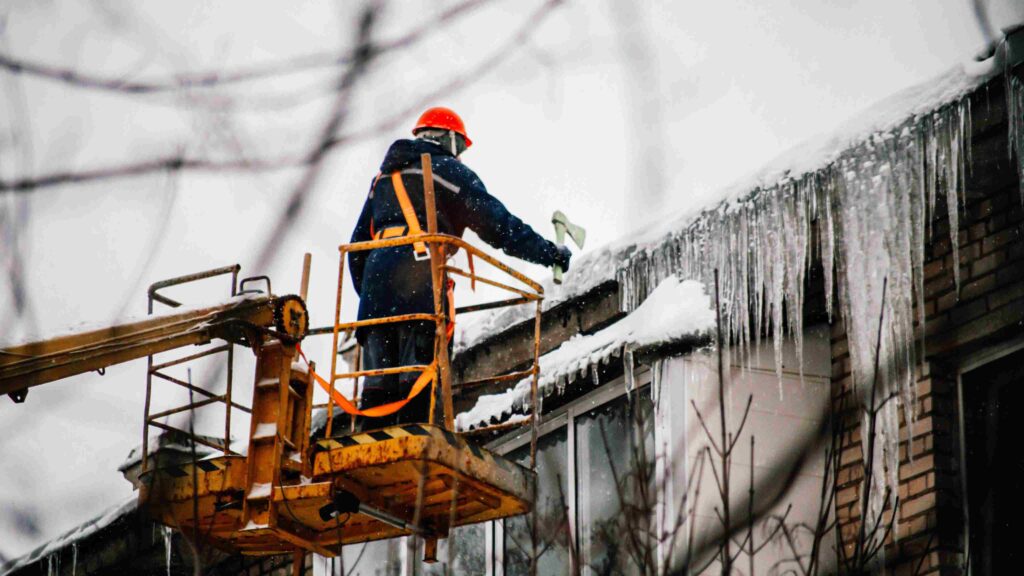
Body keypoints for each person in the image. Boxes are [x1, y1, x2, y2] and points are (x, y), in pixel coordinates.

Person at [347, 106, 571, 427]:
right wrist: (549, 253)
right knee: (418, 389)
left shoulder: (382, 180)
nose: (461, 155)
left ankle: (371, 445)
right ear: (449, 140)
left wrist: (375, 294)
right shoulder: (448, 171)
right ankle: (416, 441)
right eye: (460, 147)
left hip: (375, 291)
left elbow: (356, 249)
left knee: (377, 393)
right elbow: (500, 226)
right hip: (419, 281)